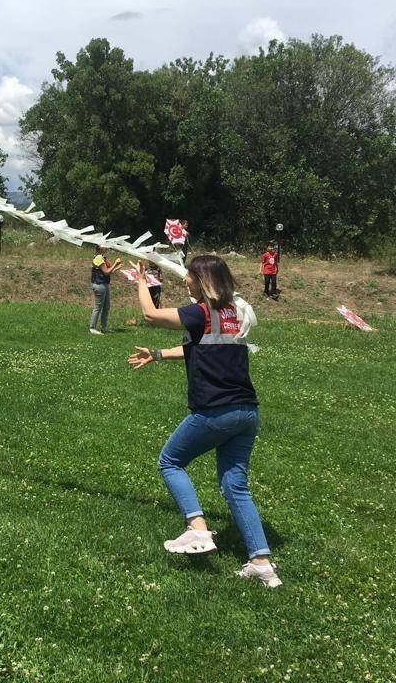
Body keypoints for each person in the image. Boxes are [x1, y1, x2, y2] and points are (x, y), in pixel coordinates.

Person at [128, 254, 281, 587]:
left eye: (190, 276)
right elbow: (197, 347)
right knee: (234, 486)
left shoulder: (201, 312)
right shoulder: (232, 314)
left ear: (203, 281)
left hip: (216, 410)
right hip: (247, 412)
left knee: (170, 461)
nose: (185, 281)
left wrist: (140, 281)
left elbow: (151, 315)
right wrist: (157, 355)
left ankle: (197, 529)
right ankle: (261, 563)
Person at [89, 246, 121, 334]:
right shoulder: (99, 258)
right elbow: (106, 272)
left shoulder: (102, 257)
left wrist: (116, 267)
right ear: (99, 248)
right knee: (98, 307)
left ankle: (104, 327)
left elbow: (107, 272)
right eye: (104, 246)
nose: (107, 247)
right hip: (99, 285)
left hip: (104, 284)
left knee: (106, 306)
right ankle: (92, 328)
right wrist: (115, 263)